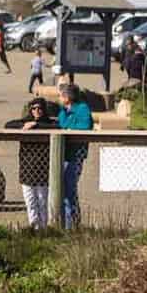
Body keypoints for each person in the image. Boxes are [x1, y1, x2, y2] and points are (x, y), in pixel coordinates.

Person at [5, 97, 57, 230]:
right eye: (34, 108)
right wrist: (24, 126)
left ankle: (44, 228)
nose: (37, 111)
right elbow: (8, 125)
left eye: (40, 108)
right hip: (27, 168)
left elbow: (57, 126)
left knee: (43, 201)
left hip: (43, 168)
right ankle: (34, 227)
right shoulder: (25, 122)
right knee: (30, 202)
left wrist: (36, 125)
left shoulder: (50, 123)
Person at [56, 85, 92, 231]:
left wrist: (70, 128)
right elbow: (63, 124)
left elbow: (85, 126)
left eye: (60, 96)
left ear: (67, 97)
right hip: (64, 154)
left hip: (75, 155)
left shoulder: (82, 109)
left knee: (69, 189)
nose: (59, 99)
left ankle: (72, 224)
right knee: (64, 188)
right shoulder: (64, 111)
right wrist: (64, 114)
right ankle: (66, 222)